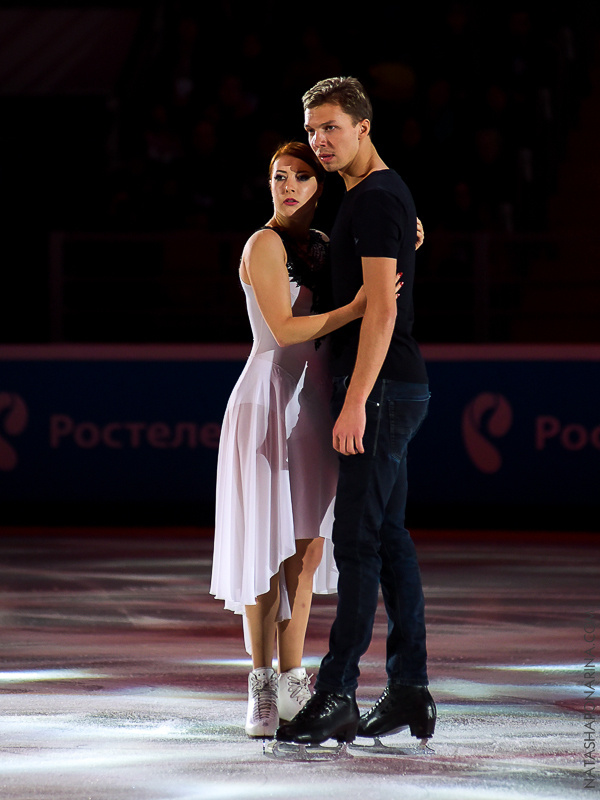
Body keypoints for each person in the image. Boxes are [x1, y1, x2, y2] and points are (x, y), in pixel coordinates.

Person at [276, 77, 436, 747]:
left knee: (359, 542)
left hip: (383, 390)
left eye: (331, 127)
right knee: (390, 539)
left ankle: (338, 690)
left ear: (363, 126)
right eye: (312, 130)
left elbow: (384, 309)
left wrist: (356, 401)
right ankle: (408, 690)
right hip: (395, 387)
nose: (320, 140)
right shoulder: (374, 198)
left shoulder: (373, 200)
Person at [210, 141, 376, 738]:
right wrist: (354, 308)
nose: (287, 185)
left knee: (303, 560)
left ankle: (293, 682)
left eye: (301, 177)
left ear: (319, 186)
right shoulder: (263, 244)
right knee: (265, 555)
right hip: (266, 398)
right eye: (279, 176)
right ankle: (259, 688)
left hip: (311, 410)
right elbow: (282, 328)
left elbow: (376, 272)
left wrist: (409, 239)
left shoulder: (325, 248)